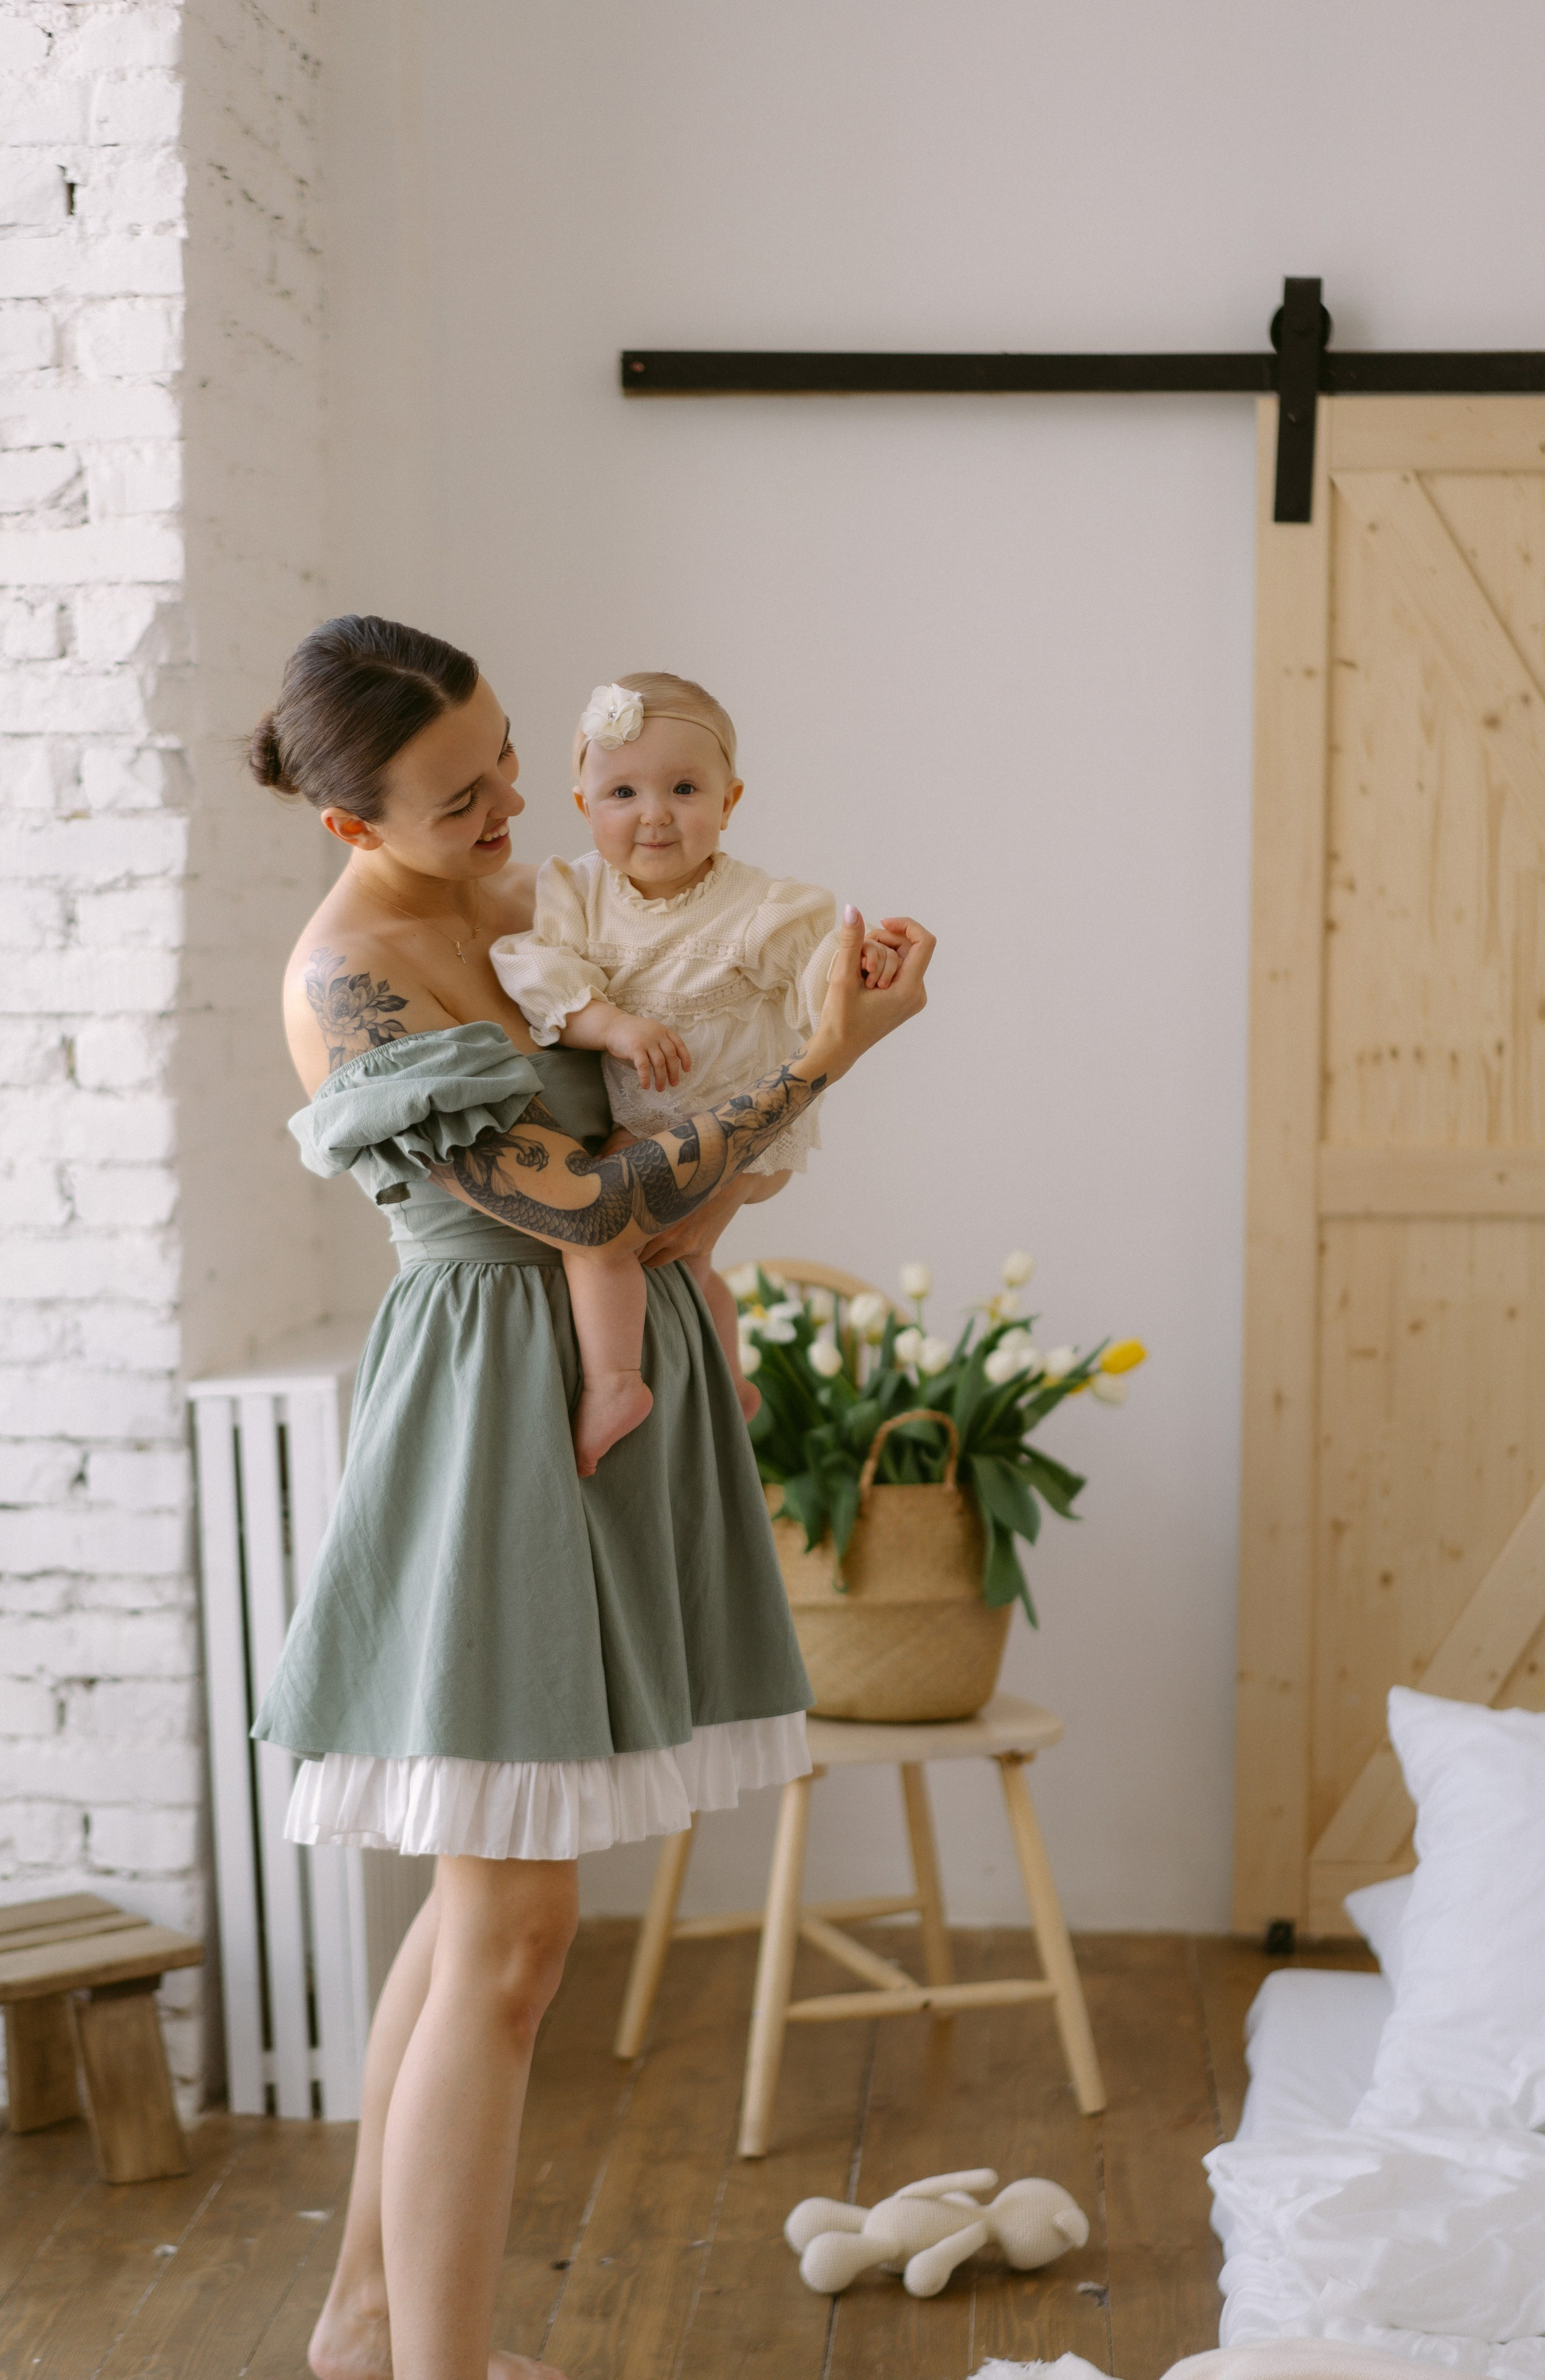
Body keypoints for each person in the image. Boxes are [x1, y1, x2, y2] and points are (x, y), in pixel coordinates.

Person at [243, 615, 933, 2380]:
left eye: (501, 761)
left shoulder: (503, 905)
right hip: (496, 1418)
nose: (506, 810)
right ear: (351, 822)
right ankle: (435, 2368)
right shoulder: (358, 977)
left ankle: (373, 2320)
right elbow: (595, 1205)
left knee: (494, 1911)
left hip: (576, 1401)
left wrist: (806, 986)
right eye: (460, 794)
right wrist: (827, 1054)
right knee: (513, 1927)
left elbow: (669, 1078)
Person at [491, 672, 902, 1476]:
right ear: (583, 805)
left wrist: (861, 962)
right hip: (655, 1118)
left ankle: (613, 1383)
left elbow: (818, 978)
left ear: (729, 799)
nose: (654, 813)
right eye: (622, 791)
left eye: (684, 788)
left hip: (747, 1123)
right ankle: (732, 1376)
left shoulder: (760, 907)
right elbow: (533, 968)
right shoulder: (575, 893)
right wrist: (610, 1023)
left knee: (593, 1227)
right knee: (689, 1261)